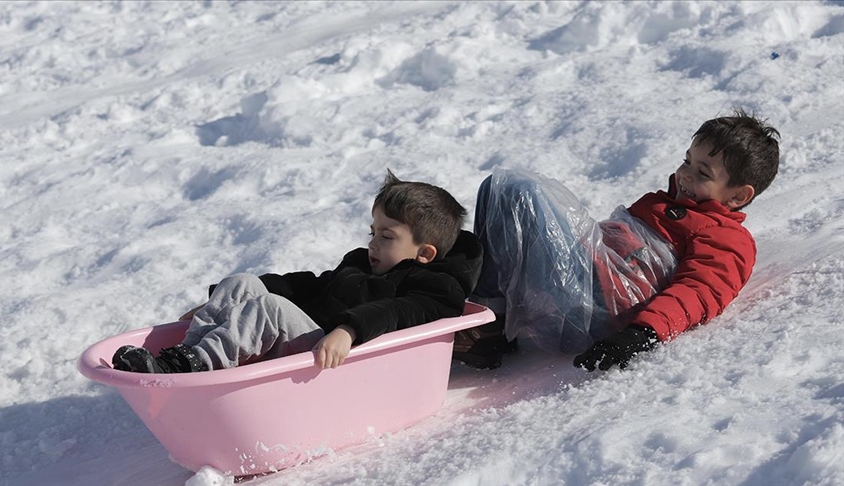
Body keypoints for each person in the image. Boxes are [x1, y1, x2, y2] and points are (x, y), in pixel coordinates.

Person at [453, 108, 780, 371]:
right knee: (500, 188)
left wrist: (642, 334)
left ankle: (489, 325)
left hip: (595, 311)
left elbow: (700, 291)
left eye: (703, 173)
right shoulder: (663, 203)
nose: (686, 175)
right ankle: (488, 314)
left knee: (524, 192)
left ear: (738, 196)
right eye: (686, 161)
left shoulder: (727, 236)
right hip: (586, 282)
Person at [113, 170, 483, 373]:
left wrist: (348, 329)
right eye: (372, 232)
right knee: (244, 283)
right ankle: (183, 355)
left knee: (270, 308)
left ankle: (195, 365)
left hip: (338, 359)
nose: (373, 244)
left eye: (386, 236)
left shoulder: (435, 288)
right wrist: (222, 302)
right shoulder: (360, 263)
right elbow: (313, 286)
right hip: (320, 341)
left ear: (424, 253)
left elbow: (396, 312)